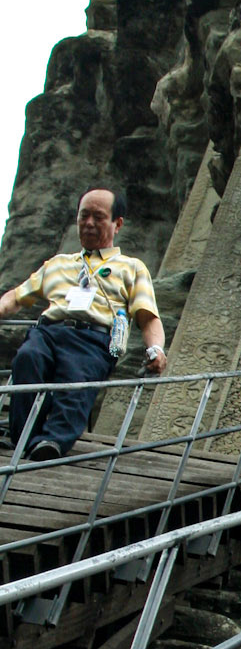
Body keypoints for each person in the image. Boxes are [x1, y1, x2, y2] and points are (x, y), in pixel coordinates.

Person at [0, 187, 167, 461]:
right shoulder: (56, 264)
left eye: (98, 217)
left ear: (118, 223)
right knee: (27, 359)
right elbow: (15, 298)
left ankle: (52, 442)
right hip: (48, 331)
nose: (89, 223)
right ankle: (24, 438)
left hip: (93, 337)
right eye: (83, 216)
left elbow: (148, 316)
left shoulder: (131, 267)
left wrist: (156, 349)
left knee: (77, 379)